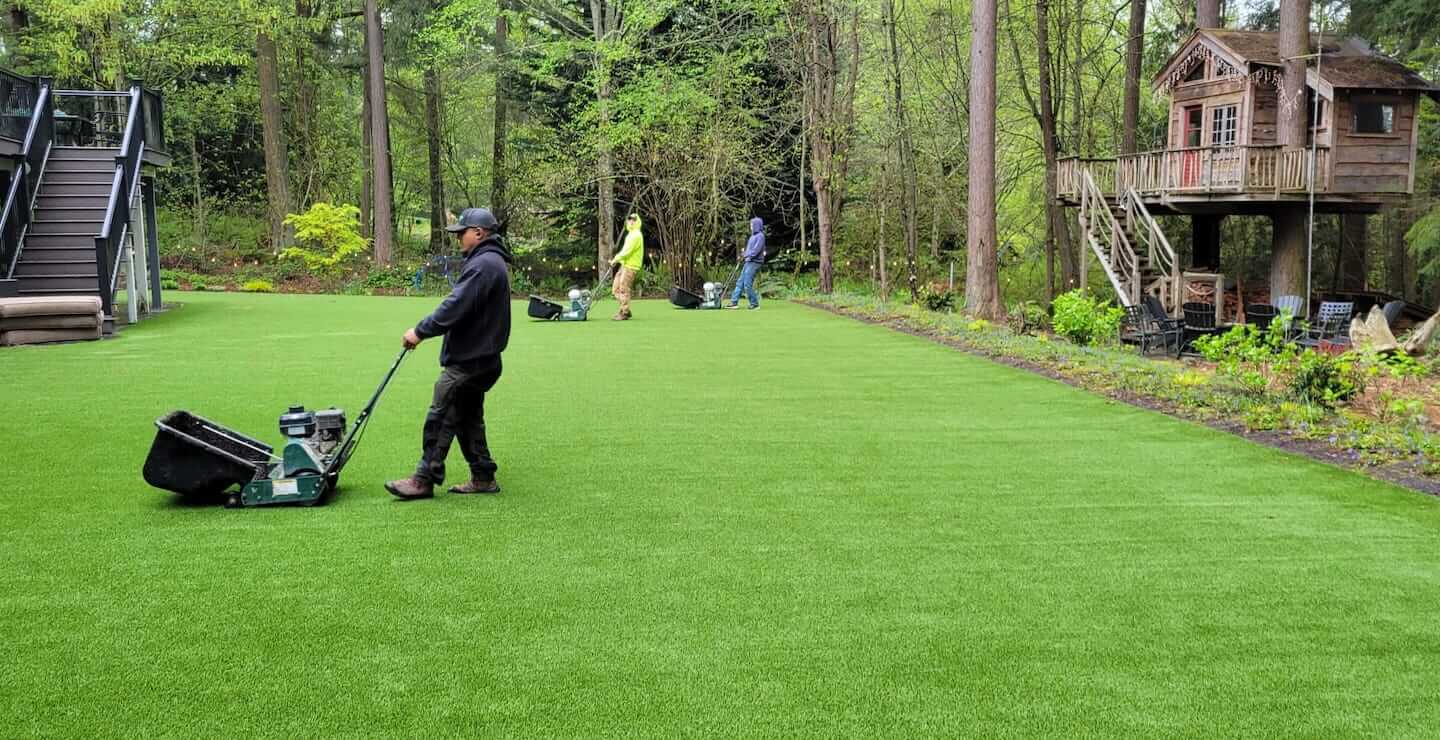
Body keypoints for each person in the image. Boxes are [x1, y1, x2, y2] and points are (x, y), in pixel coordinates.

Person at [386, 208, 513, 500]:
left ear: (478, 233)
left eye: (462, 233)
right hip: (484, 359)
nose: (458, 239)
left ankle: (423, 479)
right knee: (467, 416)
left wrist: (419, 332)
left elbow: (454, 306)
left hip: (471, 361)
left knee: (442, 416)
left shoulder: (484, 265)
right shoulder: (490, 261)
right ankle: (483, 476)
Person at [609, 213, 645, 321]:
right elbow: (625, 253)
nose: (631, 222)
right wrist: (617, 260)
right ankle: (625, 309)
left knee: (623, 289)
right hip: (624, 265)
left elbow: (627, 251)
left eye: (634, 220)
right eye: (629, 220)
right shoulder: (630, 234)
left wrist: (616, 259)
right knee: (615, 289)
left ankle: (624, 312)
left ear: (637, 221)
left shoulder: (636, 235)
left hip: (631, 266)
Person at [728, 217, 765, 310]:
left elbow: (756, 251)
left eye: (752, 225)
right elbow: (749, 250)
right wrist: (743, 255)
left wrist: (745, 255)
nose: (751, 226)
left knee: (747, 283)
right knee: (740, 282)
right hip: (748, 261)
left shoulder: (760, 236)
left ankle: (754, 303)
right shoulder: (752, 237)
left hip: (755, 262)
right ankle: (734, 302)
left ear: (757, 225)